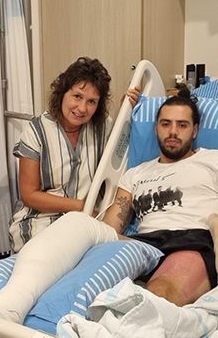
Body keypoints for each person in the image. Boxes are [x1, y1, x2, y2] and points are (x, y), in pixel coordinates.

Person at [0, 90, 218, 320]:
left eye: (182, 125)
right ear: (156, 127)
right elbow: (110, 225)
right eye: (165, 123)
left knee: (155, 297)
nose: (173, 132)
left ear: (195, 130)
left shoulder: (216, 160)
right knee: (75, 224)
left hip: (191, 240)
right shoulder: (137, 173)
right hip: (142, 244)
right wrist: (85, 233)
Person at [9, 57, 139, 252]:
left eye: (92, 102)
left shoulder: (102, 127)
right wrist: (80, 206)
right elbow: (29, 195)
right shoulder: (36, 132)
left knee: (122, 252)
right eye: (77, 96)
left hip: (87, 221)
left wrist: (128, 110)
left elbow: (121, 147)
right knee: (54, 258)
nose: (82, 109)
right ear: (62, 92)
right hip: (41, 220)